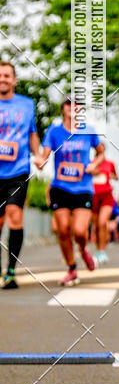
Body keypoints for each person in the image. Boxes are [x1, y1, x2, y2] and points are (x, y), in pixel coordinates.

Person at [36, 99, 105, 286]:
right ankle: (72, 268)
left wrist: (94, 165)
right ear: (63, 109)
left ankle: (83, 250)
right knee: (63, 229)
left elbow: (101, 152)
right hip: (60, 187)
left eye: (77, 104)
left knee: (80, 231)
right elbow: (44, 156)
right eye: (68, 104)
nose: (72, 107)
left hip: (83, 188)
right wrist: (39, 161)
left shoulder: (89, 131)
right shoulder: (54, 131)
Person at [0, 62, 40, 289]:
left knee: (14, 215)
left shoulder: (27, 105)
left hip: (18, 170)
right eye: (0, 76)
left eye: (7, 75)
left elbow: (32, 133)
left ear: (14, 80)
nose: (3, 79)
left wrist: (38, 154)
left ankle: (11, 271)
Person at [91, 155, 118, 264]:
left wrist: (113, 176)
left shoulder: (110, 163)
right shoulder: (90, 163)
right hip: (93, 197)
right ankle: (97, 250)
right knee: (96, 226)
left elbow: (116, 176)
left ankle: (102, 251)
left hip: (106, 196)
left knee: (102, 223)